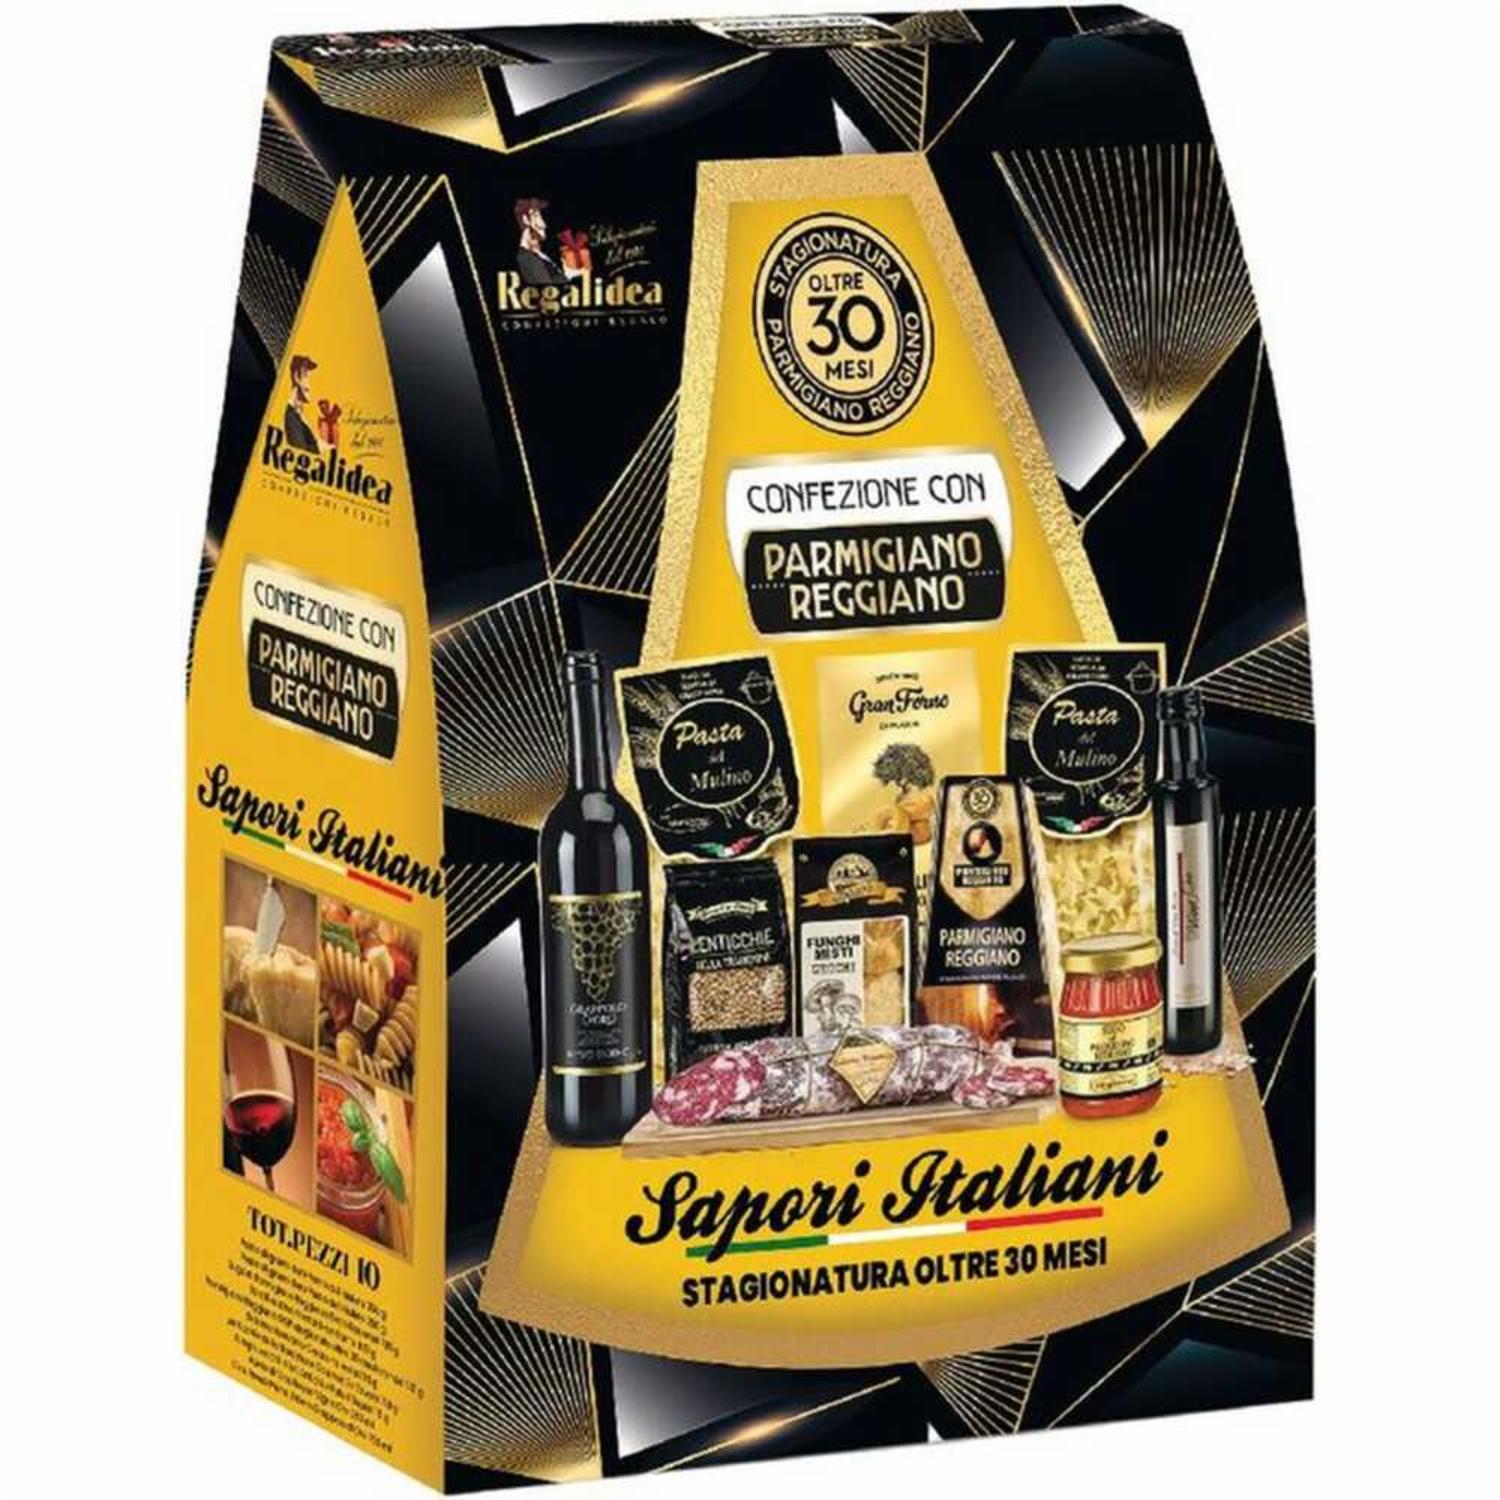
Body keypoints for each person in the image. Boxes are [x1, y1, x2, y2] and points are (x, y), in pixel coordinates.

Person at [514, 197, 573, 287]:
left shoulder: (537, 255)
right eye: (537, 216)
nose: (543, 225)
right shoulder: (529, 259)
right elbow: (549, 291)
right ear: (525, 219)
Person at [284, 354, 321, 452]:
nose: (309, 384)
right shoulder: (292, 417)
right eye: (306, 376)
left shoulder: (298, 415)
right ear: (296, 377)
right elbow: (300, 451)